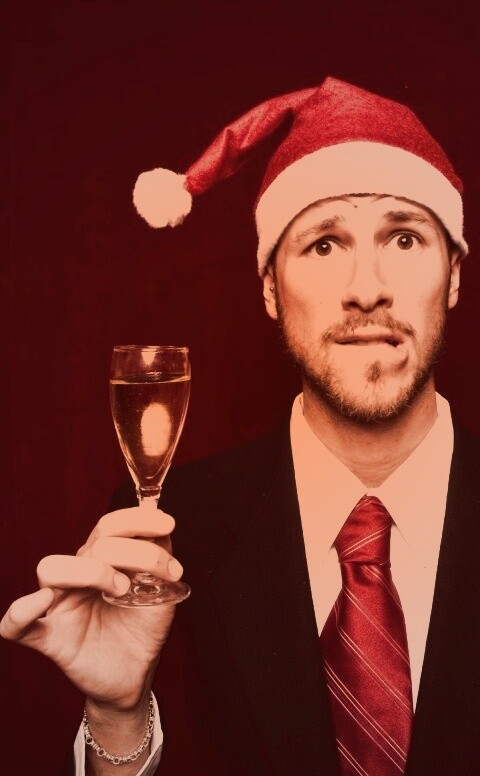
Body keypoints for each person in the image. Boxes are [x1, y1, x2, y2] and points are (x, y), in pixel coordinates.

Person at [2, 77, 479, 776]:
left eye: (404, 238)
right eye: (324, 245)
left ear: (454, 276)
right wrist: (117, 715)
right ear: (269, 288)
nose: (366, 289)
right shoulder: (160, 539)